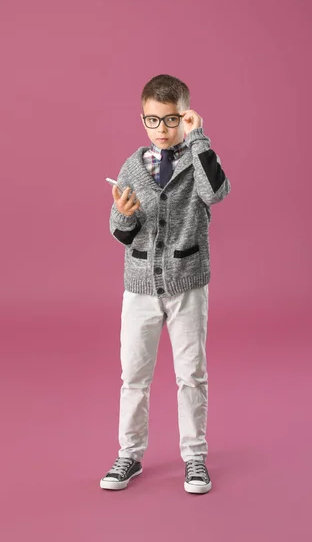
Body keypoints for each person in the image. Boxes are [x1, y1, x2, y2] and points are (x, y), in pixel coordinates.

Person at [100, 74, 231, 494]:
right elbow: (121, 232)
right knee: (134, 375)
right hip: (139, 286)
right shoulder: (132, 166)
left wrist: (200, 139)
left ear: (186, 116)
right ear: (143, 120)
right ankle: (129, 455)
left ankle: (195, 458)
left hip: (187, 282)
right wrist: (122, 212)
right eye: (153, 121)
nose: (162, 129)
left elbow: (218, 192)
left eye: (172, 119)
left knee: (191, 374)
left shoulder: (197, 160)